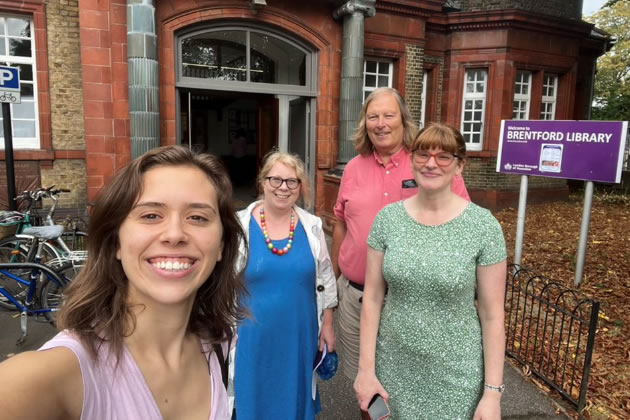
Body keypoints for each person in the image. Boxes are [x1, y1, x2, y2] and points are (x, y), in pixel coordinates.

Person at [0, 145, 246, 420]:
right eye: (151, 215)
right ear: (116, 240)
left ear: (222, 245)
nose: (175, 234)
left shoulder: (217, 345)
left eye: (197, 217)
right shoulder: (54, 377)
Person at [354, 123, 507, 419]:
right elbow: (372, 299)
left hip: (456, 375)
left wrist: (492, 393)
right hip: (392, 368)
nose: (431, 163)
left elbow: (492, 315)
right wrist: (366, 371)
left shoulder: (483, 227)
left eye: (444, 156)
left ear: (459, 165)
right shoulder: (387, 220)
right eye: (423, 154)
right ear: (412, 161)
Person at [331, 87, 470, 410]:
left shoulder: (426, 163)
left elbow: (461, 223)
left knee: (409, 383)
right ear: (365, 123)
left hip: (410, 301)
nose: (380, 123)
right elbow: (340, 222)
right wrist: (333, 283)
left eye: (388, 115)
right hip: (355, 296)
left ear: (403, 120)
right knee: (365, 385)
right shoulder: (353, 168)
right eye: (373, 116)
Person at [232, 151, 337, 419]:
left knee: (293, 401)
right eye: (275, 180)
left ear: (300, 187)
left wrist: (327, 324)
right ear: (262, 182)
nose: (283, 188)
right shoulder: (237, 226)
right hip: (251, 337)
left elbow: (325, 277)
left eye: (292, 182)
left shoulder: (312, 226)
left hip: (298, 335)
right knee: (252, 401)